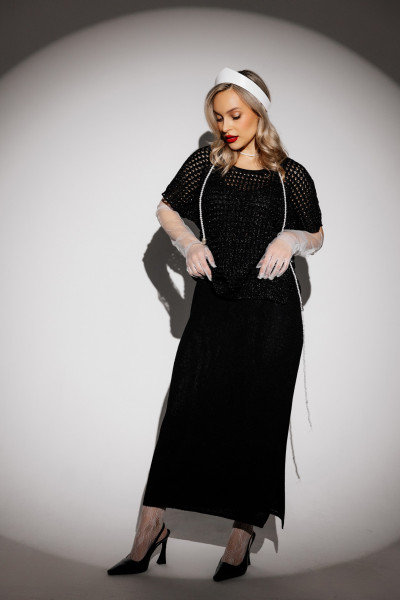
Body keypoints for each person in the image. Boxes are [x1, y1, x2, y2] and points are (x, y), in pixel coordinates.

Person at [107, 67, 324, 582]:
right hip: (214, 307)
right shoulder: (205, 166)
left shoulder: (290, 174)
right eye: (218, 117)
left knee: (258, 419)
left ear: (258, 113)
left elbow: (317, 233)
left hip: (272, 313)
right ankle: (150, 528)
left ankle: (240, 537)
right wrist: (187, 243)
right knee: (184, 412)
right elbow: (166, 209)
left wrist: (291, 239)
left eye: (235, 115)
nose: (225, 126)